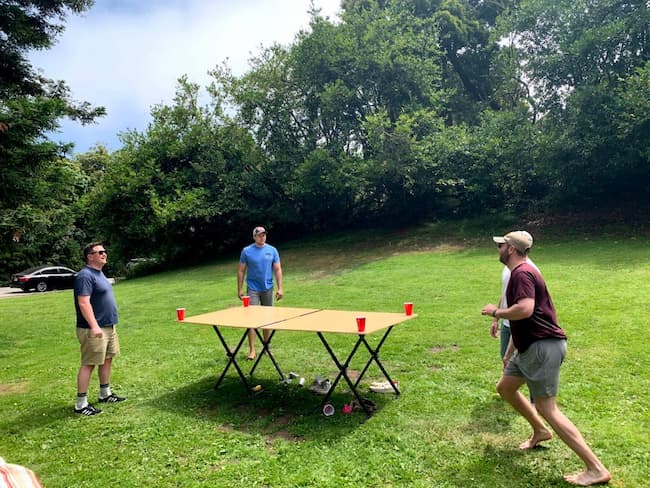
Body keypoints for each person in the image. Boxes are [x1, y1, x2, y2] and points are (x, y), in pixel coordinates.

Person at [481, 231, 611, 487]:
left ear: (512, 249)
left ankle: (596, 468)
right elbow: (529, 318)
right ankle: (540, 431)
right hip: (530, 346)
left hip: (542, 347)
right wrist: (509, 353)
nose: (498, 249)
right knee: (505, 388)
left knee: (547, 407)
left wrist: (494, 311)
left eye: (502, 245)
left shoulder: (522, 273)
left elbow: (526, 309)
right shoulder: (521, 272)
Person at [73, 242, 126, 416]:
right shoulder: (85, 275)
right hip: (93, 329)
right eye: (100, 252)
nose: (104, 254)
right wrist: (94, 325)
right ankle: (81, 404)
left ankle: (105, 393)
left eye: (105, 251)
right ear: (90, 256)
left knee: (108, 359)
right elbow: (83, 302)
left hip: (108, 326)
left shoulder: (99, 273)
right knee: (89, 364)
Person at [237, 226, 284, 360]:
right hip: (252, 288)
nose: (262, 237)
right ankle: (252, 350)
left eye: (264, 235)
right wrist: (239, 289)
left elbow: (278, 269)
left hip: (268, 288)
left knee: (267, 319)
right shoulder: (247, 251)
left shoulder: (272, 250)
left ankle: (266, 347)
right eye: (259, 235)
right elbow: (241, 271)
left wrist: (280, 288)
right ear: (254, 237)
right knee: (251, 319)